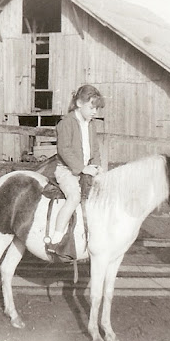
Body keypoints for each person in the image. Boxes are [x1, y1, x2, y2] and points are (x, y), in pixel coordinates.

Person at [46, 85, 105, 251]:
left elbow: (95, 149)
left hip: (86, 169)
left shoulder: (91, 124)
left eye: (97, 109)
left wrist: (97, 166)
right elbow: (64, 150)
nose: (95, 112)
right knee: (73, 197)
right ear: (79, 103)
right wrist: (82, 168)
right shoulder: (66, 123)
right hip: (67, 170)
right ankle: (56, 237)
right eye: (92, 107)